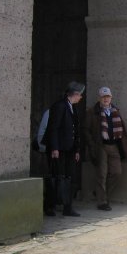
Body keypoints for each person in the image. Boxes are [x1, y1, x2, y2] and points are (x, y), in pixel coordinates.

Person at [84, 87, 127, 211]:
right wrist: (92, 145)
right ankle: (102, 201)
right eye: (103, 97)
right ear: (99, 98)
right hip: (100, 145)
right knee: (101, 174)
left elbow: (122, 129)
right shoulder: (92, 112)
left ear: (111, 98)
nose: (105, 99)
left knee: (117, 172)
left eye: (108, 97)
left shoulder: (115, 111)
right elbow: (86, 130)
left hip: (114, 145)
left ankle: (102, 193)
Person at [42, 81, 86, 217]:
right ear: (75, 94)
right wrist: (54, 148)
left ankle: (68, 207)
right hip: (59, 149)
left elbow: (75, 130)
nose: (81, 98)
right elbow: (53, 129)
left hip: (69, 149)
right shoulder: (59, 106)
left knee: (69, 178)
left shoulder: (72, 107)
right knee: (56, 177)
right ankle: (49, 206)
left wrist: (77, 149)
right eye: (80, 95)